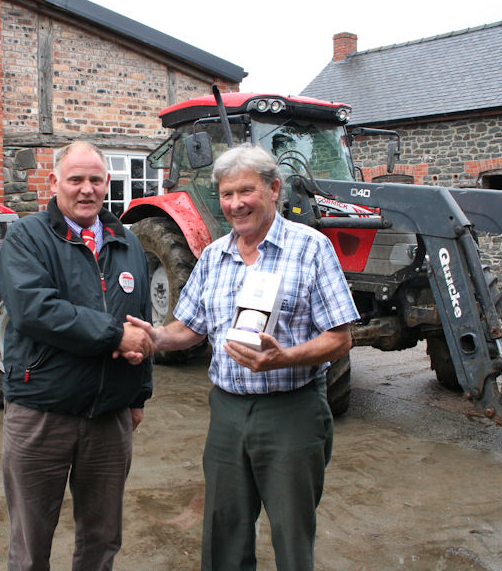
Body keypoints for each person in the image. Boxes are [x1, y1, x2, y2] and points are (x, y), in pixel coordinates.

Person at [128, 143, 359, 571]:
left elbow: (340, 338)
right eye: (227, 194)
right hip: (228, 411)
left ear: (274, 189)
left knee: (292, 533)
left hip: (292, 410)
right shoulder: (215, 256)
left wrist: (285, 357)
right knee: (224, 529)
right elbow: (189, 328)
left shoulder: (311, 249)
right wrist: (153, 337)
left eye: (245, 191)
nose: (235, 204)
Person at [0, 141, 154, 571]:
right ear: (54, 183)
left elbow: (142, 323)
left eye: (96, 180)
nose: (87, 190)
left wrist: (139, 395)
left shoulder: (127, 242)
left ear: (107, 184)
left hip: (109, 418)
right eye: (76, 179)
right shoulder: (27, 238)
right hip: (42, 413)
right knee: (31, 543)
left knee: (102, 540)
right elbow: (35, 311)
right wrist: (113, 335)